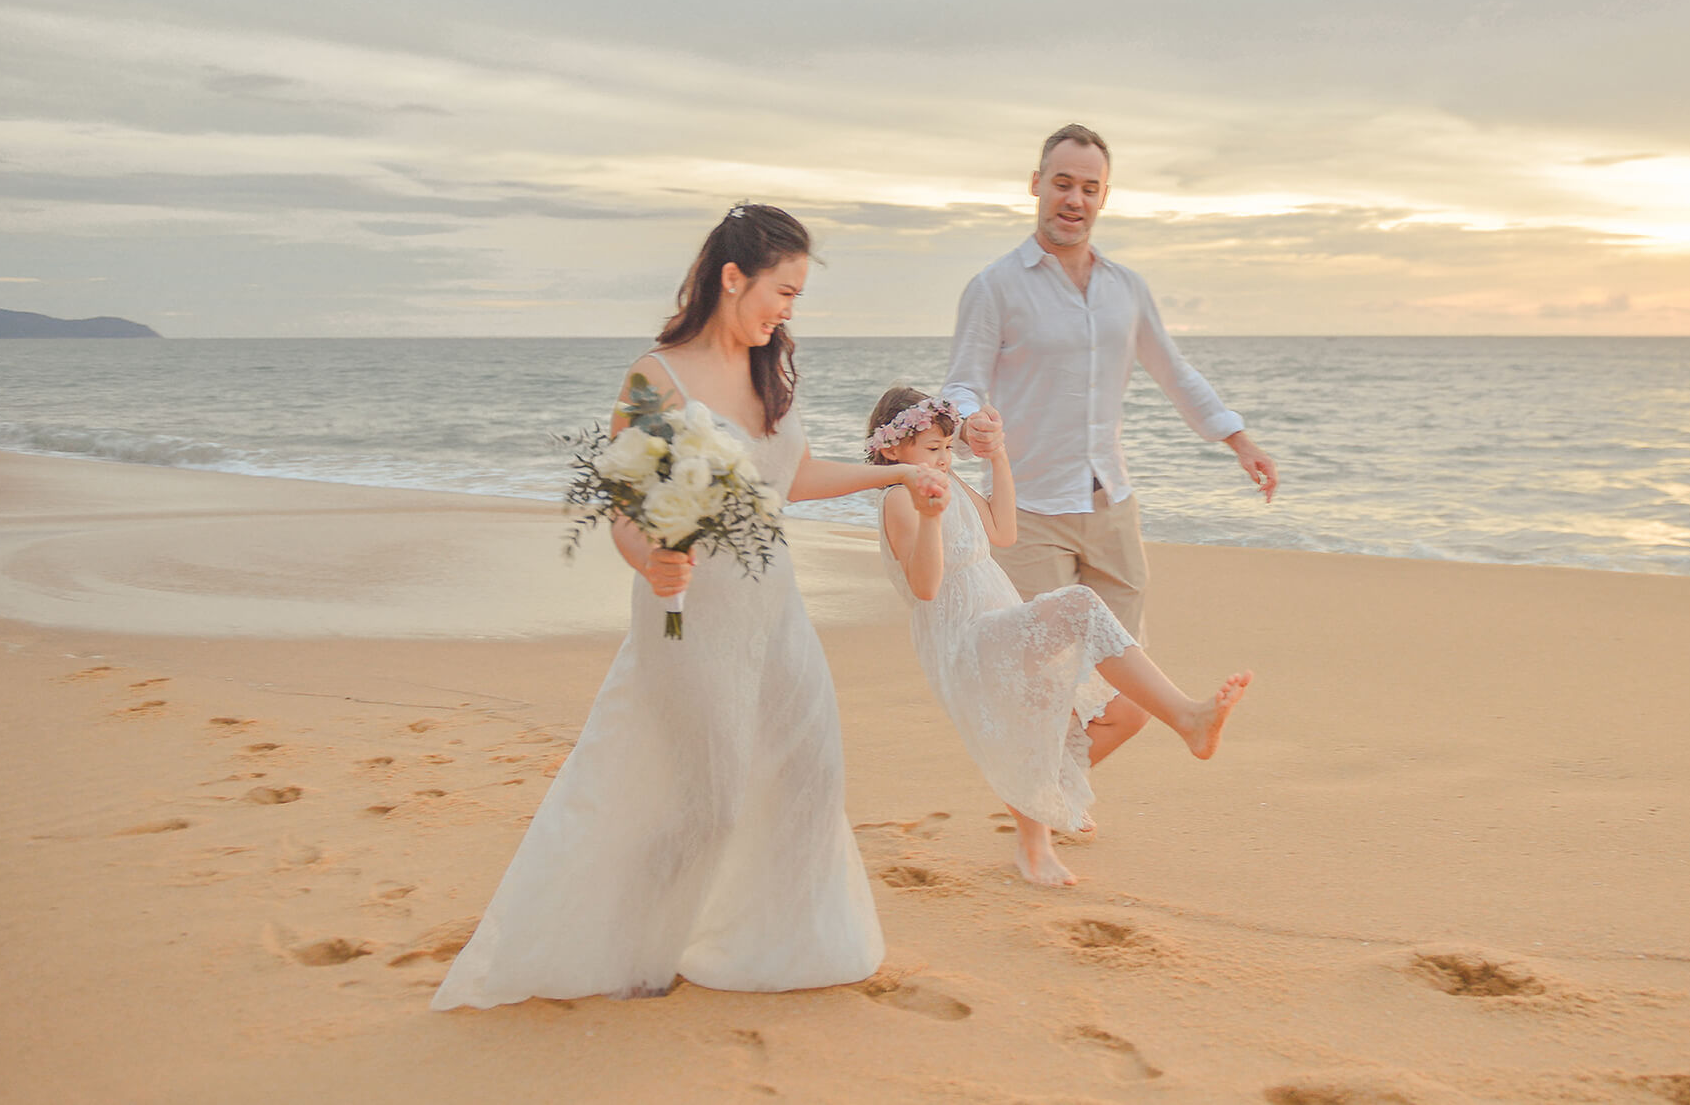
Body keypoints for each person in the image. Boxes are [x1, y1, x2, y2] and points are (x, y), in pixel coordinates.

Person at [433, 204, 946, 1010]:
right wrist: (652, 561)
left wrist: (898, 476)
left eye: (799, 296)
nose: (788, 310)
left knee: (811, 769)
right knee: (706, 801)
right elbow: (627, 510)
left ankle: (779, 945)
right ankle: (639, 952)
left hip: (774, 609)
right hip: (690, 614)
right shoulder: (655, 378)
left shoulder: (766, 371)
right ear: (732, 277)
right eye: (783, 290)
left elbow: (795, 473)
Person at [942, 123, 1278, 766]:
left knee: (1128, 700)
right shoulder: (995, 286)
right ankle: (1032, 833)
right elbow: (963, 382)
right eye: (1062, 183)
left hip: (1111, 508)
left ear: (1105, 197)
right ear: (1036, 185)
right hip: (1030, 514)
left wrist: (1239, 439)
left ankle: (1052, 787)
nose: (1074, 199)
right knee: (1037, 683)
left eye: (1089, 188)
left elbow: (1175, 372)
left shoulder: (1127, 289)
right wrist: (969, 425)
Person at [867, 385, 1252, 887]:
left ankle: (1052, 798)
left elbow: (1004, 532)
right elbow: (926, 586)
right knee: (1077, 609)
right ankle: (1180, 722)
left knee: (1126, 714)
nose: (941, 460)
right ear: (892, 450)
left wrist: (998, 456)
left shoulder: (951, 483)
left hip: (1000, 620)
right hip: (962, 640)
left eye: (946, 449)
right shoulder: (900, 498)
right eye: (930, 450)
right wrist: (929, 515)